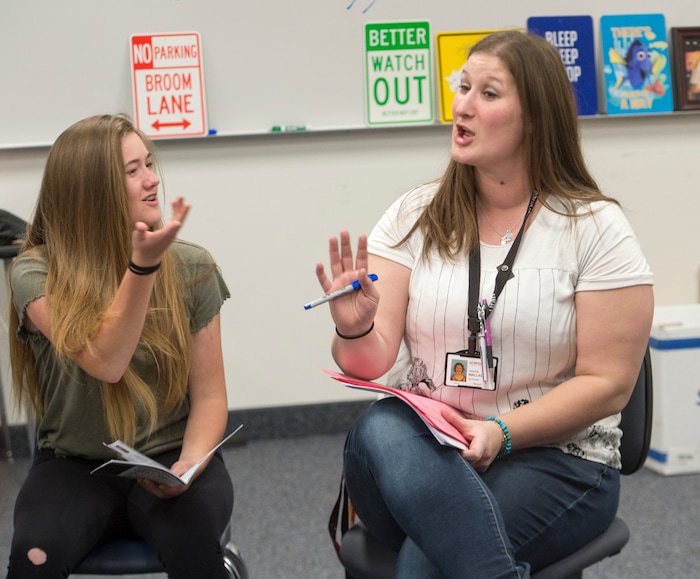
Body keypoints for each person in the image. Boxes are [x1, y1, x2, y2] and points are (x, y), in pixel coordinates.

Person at [315, 31, 653, 578]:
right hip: (426, 456)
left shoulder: (595, 229)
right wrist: (355, 331)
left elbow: (609, 383)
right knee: (380, 426)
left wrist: (503, 432)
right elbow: (369, 364)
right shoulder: (413, 215)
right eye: (463, 86)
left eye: (488, 93)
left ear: (537, 119)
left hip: (555, 461)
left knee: (431, 558)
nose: (463, 104)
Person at [6, 114, 233, 579]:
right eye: (133, 171)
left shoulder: (192, 267)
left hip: (171, 456)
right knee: (34, 556)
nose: (153, 180)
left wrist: (189, 465)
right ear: (93, 190)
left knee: (195, 550)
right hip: (74, 464)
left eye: (149, 164)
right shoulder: (34, 272)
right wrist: (142, 269)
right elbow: (106, 361)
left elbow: (210, 397)